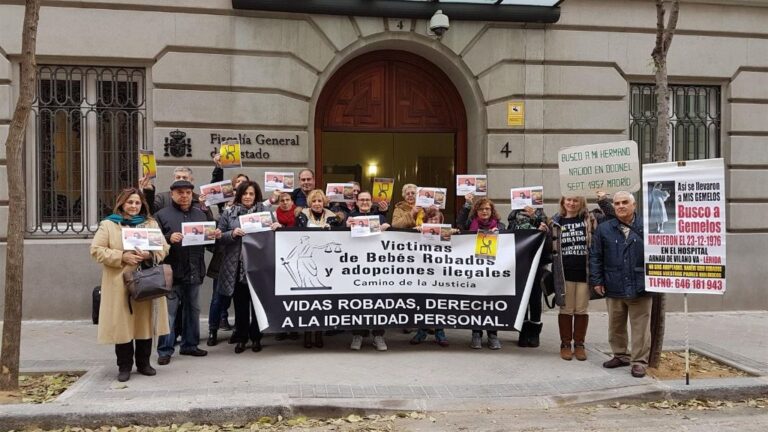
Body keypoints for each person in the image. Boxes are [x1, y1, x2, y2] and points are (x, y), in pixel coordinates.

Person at [90, 188, 170, 382]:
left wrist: (149, 255)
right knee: (123, 326)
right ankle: (124, 366)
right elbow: (96, 250)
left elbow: (164, 247)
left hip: (145, 280)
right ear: (121, 204)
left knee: (144, 323)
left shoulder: (150, 223)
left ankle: (144, 364)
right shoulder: (109, 224)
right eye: (130, 202)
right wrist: (121, 256)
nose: (134, 206)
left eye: (137, 203)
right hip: (119, 284)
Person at [154, 180, 221, 365]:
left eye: (188, 193)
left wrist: (214, 236)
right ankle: (165, 350)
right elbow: (153, 241)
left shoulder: (200, 214)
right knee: (170, 313)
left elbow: (210, 244)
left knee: (193, 310)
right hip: (172, 272)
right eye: (180, 192)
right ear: (172, 194)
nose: (184, 196)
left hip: (194, 270)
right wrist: (168, 238)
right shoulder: (161, 215)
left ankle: (190, 345)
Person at [590, 191, 651, 378]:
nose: (621, 206)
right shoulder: (605, 228)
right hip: (613, 283)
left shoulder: (647, 226)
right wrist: (597, 280)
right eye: (617, 203)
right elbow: (596, 256)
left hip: (640, 284)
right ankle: (620, 355)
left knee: (640, 326)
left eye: (625, 202)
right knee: (615, 324)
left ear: (634, 205)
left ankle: (639, 361)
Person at [217, 181, 278, 354]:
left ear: (256, 195)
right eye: (245, 193)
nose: (248, 197)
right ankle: (242, 338)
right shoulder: (229, 212)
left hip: (259, 266)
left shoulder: (266, 213)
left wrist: (276, 228)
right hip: (237, 267)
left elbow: (275, 237)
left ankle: (256, 337)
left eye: (251, 194)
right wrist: (232, 234)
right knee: (241, 305)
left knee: (258, 304)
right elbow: (219, 235)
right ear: (239, 195)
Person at [549, 196, 601, 361]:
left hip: (584, 274)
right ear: (563, 202)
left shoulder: (589, 220)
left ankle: (579, 344)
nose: (571, 203)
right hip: (564, 274)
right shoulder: (555, 222)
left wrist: (603, 200)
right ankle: (565, 344)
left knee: (581, 310)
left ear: (582, 203)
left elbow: (609, 216)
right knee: (566, 309)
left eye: (575, 201)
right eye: (568, 200)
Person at [457, 194, 506, 350]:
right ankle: (476, 334)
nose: (485, 211)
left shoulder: (501, 226)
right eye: (481, 209)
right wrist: (467, 204)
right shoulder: (470, 225)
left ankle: (493, 334)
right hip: (475, 270)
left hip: (493, 271)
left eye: (487, 209)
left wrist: (500, 234)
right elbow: (459, 223)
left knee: (491, 302)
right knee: (476, 302)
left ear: (492, 211)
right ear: (476, 211)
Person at [295, 189, 341, 348]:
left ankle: (319, 333)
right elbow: (296, 236)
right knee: (308, 300)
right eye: (314, 201)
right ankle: (307, 333)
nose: (316, 204)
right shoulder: (301, 216)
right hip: (306, 261)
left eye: (319, 201)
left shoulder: (333, 218)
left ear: (324, 203)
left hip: (325, 263)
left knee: (322, 300)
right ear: (309, 203)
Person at [346, 191, 391, 351]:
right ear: (356, 202)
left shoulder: (380, 218)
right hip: (356, 266)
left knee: (378, 301)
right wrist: (344, 228)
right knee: (358, 301)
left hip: (376, 266)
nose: (364, 202)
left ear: (372, 202)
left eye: (367, 200)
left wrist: (387, 228)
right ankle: (358, 334)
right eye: (361, 200)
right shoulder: (350, 218)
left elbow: (390, 240)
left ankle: (378, 335)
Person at [507, 205, 549, 348]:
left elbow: (548, 236)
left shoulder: (540, 217)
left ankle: (535, 332)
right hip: (520, 264)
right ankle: (523, 332)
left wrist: (535, 218)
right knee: (522, 299)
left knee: (535, 299)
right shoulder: (513, 219)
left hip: (537, 264)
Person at [410, 206, 451, 347]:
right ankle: (421, 332)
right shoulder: (419, 231)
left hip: (440, 275)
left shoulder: (446, 233)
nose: (434, 221)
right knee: (423, 303)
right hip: (423, 274)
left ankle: (440, 333)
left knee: (439, 304)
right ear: (426, 220)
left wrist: (456, 233)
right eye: (431, 219)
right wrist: (414, 232)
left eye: (436, 219)